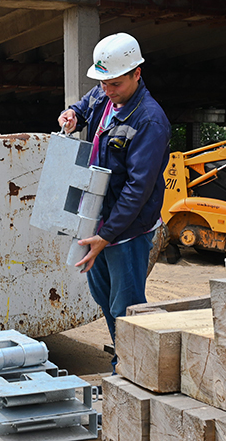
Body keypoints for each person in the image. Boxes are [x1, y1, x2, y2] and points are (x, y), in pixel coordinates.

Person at [57, 32, 171, 364]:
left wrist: (106, 236)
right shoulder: (106, 93)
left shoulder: (149, 121)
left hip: (127, 230)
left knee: (127, 304)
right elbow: (87, 104)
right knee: (103, 296)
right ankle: (126, 359)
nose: (107, 90)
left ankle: (136, 368)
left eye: (115, 84)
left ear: (137, 73)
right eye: (103, 83)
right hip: (99, 219)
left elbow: (138, 190)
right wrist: (73, 114)